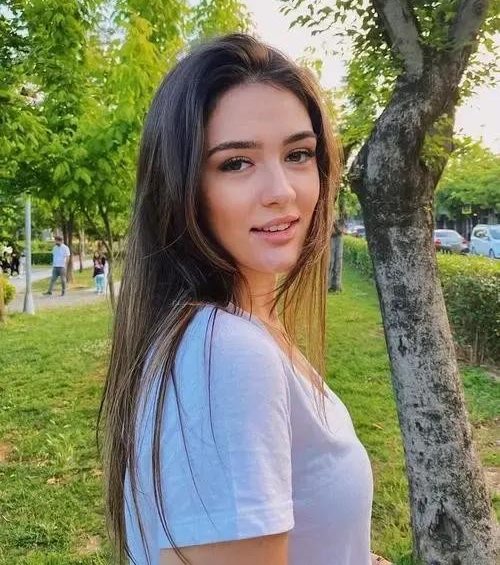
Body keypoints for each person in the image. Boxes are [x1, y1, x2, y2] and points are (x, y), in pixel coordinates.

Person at [99, 34, 387, 565]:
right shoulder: (226, 353)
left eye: (298, 154)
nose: (282, 190)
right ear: (180, 188)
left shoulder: (239, 331)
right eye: (236, 163)